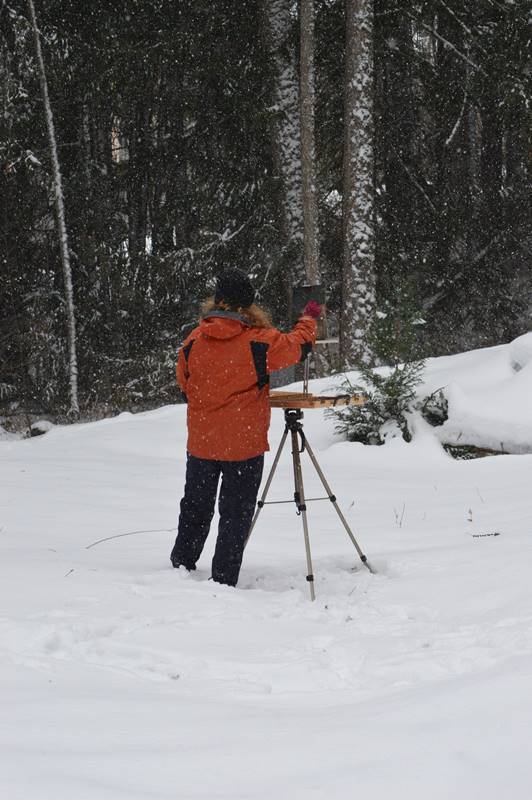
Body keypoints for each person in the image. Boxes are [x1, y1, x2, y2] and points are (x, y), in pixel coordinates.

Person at [170, 267, 321, 587]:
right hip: (243, 446)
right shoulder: (258, 341)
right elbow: (299, 345)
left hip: (202, 443)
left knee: (196, 506)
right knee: (234, 514)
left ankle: (181, 566)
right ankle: (222, 579)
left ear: (216, 301)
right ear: (249, 305)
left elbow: (184, 383)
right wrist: (309, 317)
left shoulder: (194, 339)